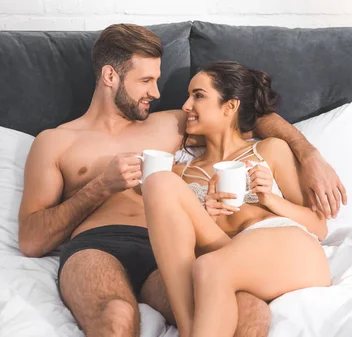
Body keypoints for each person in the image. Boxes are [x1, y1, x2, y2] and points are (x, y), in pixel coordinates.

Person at [18, 24, 344, 337]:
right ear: (109, 76)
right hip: (96, 246)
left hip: (171, 248)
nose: (156, 93)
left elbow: (252, 115)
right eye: (146, 80)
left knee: (249, 311)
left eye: (157, 80)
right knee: (116, 318)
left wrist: (309, 154)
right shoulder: (55, 142)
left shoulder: (173, 124)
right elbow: (31, 240)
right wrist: (101, 186)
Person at [142, 61, 332, 337]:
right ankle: (188, 328)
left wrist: (270, 199)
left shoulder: (270, 151)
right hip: (226, 249)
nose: (186, 106)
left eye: (198, 95)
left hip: (287, 247)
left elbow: (320, 227)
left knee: (208, 267)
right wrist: (208, 214)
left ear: (230, 107)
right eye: (189, 96)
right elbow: (178, 241)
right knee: (159, 181)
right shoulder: (183, 172)